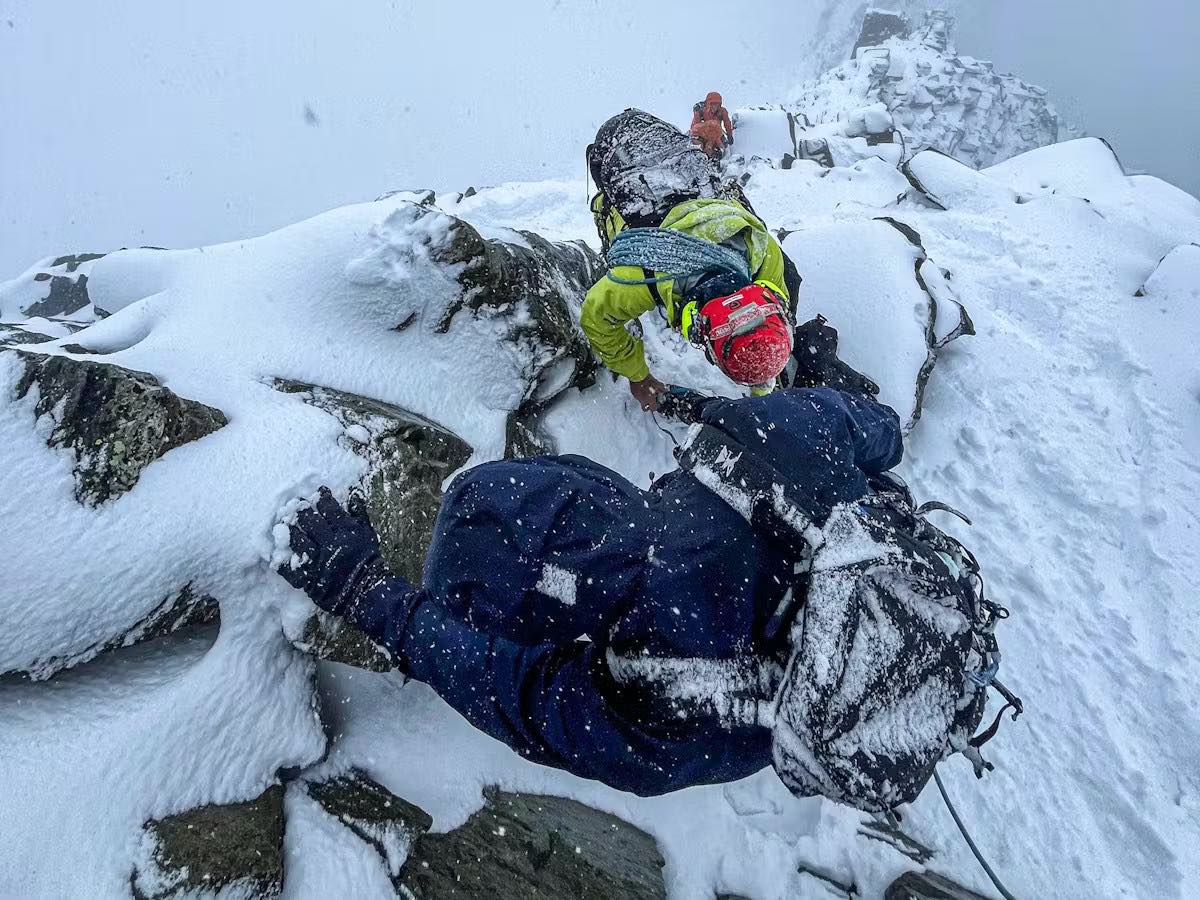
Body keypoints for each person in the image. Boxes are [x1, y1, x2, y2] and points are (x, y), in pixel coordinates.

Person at [276, 338, 1009, 812]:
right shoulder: (711, 716)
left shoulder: (791, 433)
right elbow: (526, 699)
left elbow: (517, 691)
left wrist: (363, 593)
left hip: (549, 566)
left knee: (537, 554)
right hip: (623, 614)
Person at [582, 109, 801, 413]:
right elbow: (596, 317)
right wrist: (637, 375)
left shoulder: (759, 248)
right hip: (613, 151)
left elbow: (757, 327)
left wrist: (762, 381)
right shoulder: (645, 273)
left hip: (659, 140)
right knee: (613, 209)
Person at [690, 91, 734, 159]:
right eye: (712, 104)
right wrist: (696, 114)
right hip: (703, 134)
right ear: (708, 104)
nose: (714, 107)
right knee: (699, 147)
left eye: (717, 104)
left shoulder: (722, 111)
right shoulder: (701, 112)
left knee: (722, 149)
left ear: (720, 105)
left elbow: (727, 123)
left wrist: (730, 135)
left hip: (717, 134)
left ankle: (720, 158)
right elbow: (695, 127)